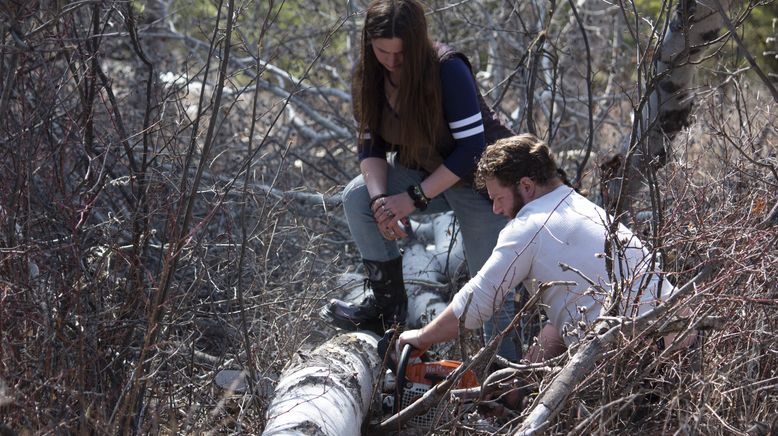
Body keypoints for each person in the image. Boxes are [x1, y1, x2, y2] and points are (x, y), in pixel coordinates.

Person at [319, 0, 520, 360]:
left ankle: (505, 376)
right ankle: (388, 309)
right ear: (369, 44)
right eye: (383, 51)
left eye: (401, 53)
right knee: (357, 197)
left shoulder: (447, 70)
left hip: (481, 182)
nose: (392, 62)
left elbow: (472, 149)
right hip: (425, 169)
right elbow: (371, 148)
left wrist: (411, 199)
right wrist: (383, 203)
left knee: (491, 287)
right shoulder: (367, 76)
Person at [398, 133, 678, 362]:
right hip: (679, 333)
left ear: (527, 186)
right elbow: (571, 313)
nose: (496, 209)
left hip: (636, 357)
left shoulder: (528, 225)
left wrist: (421, 337)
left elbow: (476, 302)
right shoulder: (582, 207)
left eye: (498, 198)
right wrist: (522, 382)